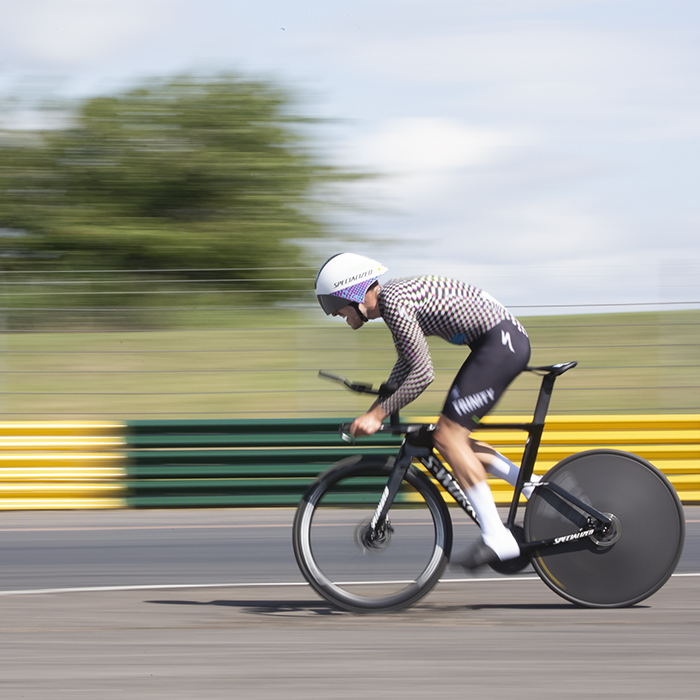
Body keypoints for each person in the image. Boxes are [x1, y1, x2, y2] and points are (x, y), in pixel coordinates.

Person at [315, 252, 538, 568]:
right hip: (498, 342)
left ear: (350, 291)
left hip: (500, 344)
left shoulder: (393, 302)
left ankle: (498, 538)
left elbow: (422, 374)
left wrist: (377, 415)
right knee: (448, 436)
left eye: (333, 305)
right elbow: (406, 361)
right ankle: (532, 487)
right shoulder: (395, 298)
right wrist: (375, 408)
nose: (333, 313)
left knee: (448, 438)